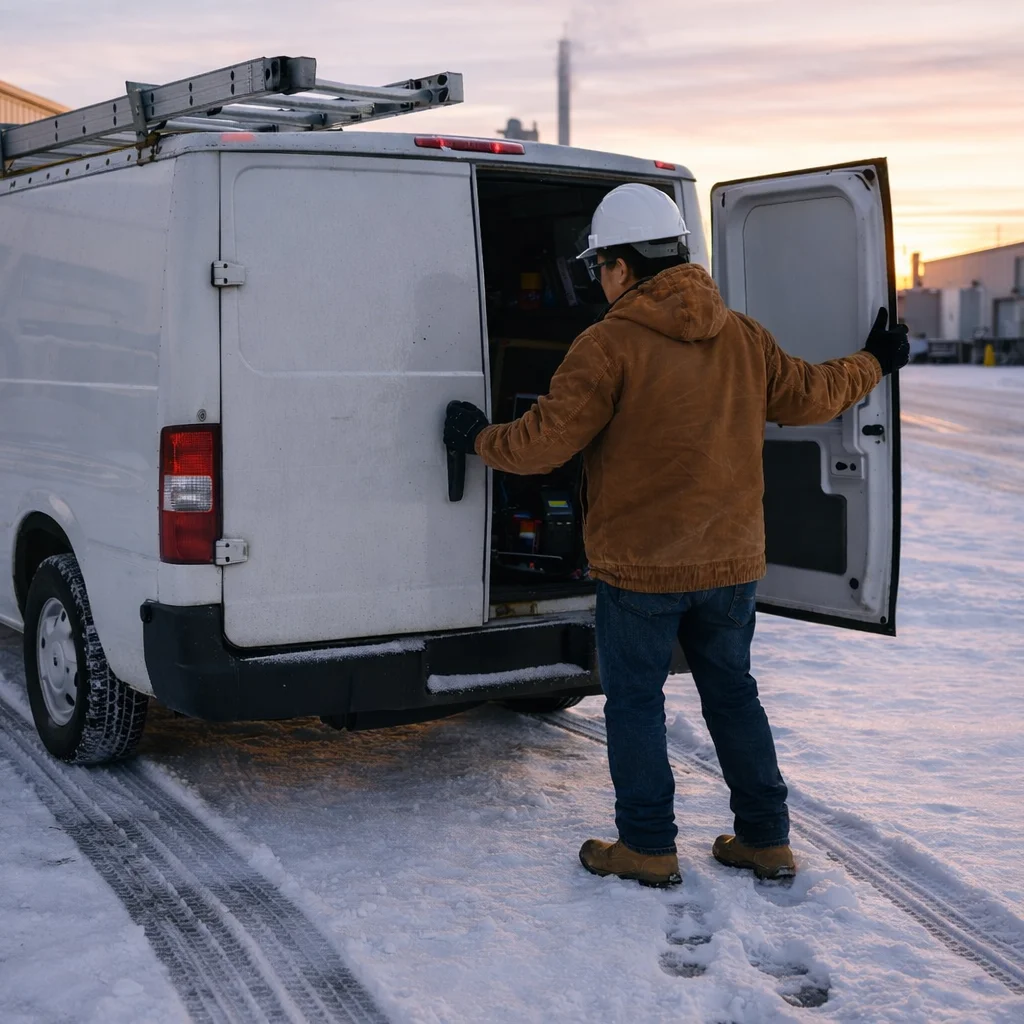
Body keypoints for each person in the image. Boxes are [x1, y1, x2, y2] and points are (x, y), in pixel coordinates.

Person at [444, 183, 909, 887]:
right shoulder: (742, 336)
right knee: (733, 696)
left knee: (636, 703)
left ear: (624, 267)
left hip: (641, 571)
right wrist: (876, 360)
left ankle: (649, 847)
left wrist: (479, 438)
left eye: (599, 265)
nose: (597, 279)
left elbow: (540, 445)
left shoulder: (607, 346)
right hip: (730, 564)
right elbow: (813, 394)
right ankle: (765, 839)